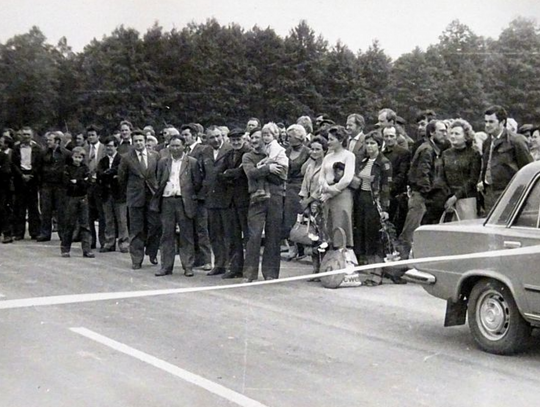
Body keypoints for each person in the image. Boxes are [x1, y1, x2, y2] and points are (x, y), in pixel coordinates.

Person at [153, 136, 202, 277]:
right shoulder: (163, 162)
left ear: (183, 146)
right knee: (166, 234)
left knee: (186, 235)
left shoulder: (192, 162)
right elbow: (159, 180)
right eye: (172, 146)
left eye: (177, 146)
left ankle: (188, 266)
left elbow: (197, 183)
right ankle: (166, 266)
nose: (174, 149)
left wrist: (189, 196)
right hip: (167, 200)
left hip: (184, 201)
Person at [242, 129, 287, 282]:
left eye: (258, 137)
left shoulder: (276, 153)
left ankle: (271, 273)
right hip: (256, 198)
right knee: (254, 235)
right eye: (252, 138)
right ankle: (249, 273)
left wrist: (264, 169)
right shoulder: (248, 156)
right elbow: (251, 173)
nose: (255, 140)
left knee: (273, 235)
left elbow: (282, 175)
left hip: (275, 197)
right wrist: (268, 168)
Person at [118, 130, 161, 270]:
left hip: (152, 196)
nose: (138, 143)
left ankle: (152, 252)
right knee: (136, 229)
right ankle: (137, 258)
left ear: (145, 141)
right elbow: (122, 178)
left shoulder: (155, 156)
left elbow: (158, 174)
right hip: (135, 197)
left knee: (155, 226)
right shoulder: (126, 158)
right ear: (132, 142)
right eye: (135, 141)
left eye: (140, 140)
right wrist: (131, 192)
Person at [479, 105, 533, 212]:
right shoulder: (487, 142)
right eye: (486, 122)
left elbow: (528, 168)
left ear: (502, 122)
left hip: (509, 192)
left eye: (491, 122)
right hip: (490, 193)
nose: (487, 125)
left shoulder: (516, 141)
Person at [352, 131, 392, 268]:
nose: (369, 146)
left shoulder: (384, 163)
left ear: (379, 145)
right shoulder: (363, 162)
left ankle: (374, 264)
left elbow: (386, 187)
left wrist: (385, 208)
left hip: (374, 200)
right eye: (367, 143)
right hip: (361, 198)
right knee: (360, 230)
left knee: (372, 232)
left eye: (372, 143)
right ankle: (363, 260)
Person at [220, 128, 251, 279]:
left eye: (239, 139)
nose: (236, 142)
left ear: (244, 139)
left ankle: (249, 268)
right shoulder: (228, 154)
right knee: (233, 235)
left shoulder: (248, 153)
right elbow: (220, 173)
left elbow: (242, 173)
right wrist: (230, 174)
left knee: (248, 235)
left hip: (245, 199)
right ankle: (235, 268)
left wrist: (229, 174)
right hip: (231, 200)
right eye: (233, 140)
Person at [181, 123, 213, 271]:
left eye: (186, 135)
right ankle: (196, 259)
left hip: (200, 196)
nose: (184, 138)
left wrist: (202, 191)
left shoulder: (203, 149)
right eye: (183, 135)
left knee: (201, 228)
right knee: (191, 228)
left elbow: (206, 172)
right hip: (188, 195)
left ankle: (207, 259)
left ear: (194, 136)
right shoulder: (184, 151)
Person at [203, 126, 233, 277]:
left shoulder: (229, 150)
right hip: (211, 198)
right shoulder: (205, 152)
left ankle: (230, 264)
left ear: (222, 136)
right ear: (207, 139)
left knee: (228, 233)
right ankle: (219, 264)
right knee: (214, 233)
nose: (215, 140)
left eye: (217, 136)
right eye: (212, 137)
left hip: (227, 198)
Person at [319, 125, 355, 248]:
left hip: (341, 194)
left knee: (340, 224)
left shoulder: (348, 156)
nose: (328, 142)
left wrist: (332, 190)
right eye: (328, 139)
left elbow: (347, 178)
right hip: (327, 194)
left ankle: (342, 251)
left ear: (340, 140)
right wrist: (324, 186)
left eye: (331, 139)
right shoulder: (327, 157)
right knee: (327, 223)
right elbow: (322, 175)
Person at [299, 135, 328, 275]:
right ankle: (315, 268)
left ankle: (323, 268)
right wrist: (304, 199)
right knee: (311, 236)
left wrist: (310, 199)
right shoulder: (310, 166)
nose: (314, 152)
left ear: (324, 150)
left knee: (323, 236)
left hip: (321, 203)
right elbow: (305, 183)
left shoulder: (326, 166)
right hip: (309, 204)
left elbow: (322, 187)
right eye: (312, 149)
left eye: (318, 149)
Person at [442, 119, 482, 218]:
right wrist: (447, 196)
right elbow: (441, 176)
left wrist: (455, 197)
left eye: (457, 134)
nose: (453, 136)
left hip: (467, 199)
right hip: (447, 199)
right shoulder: (446, 154)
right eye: (451, 133)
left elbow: (472, 180)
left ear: (466, 136)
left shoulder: (473, 154)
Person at [282, 124, 310, 260]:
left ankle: (302, 248)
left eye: (290, 136)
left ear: (299, 137)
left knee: (300, 218)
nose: (288, 139)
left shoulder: (307, 152)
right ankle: (292, 247)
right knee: (287, 218)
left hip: (300, 187)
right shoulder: (286, 152)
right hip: (287, 187)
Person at [37, 132, 71, 242]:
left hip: (60, 185)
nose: (48, 142)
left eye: (50, 140)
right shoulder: (43, 153)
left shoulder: (66, 153)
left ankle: (63, 233)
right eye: (47, 140)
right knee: (46, 210)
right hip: (46, 184)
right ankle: (45, 233)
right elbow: (39, 167)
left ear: (57, 141)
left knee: (61, 210)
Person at [60, 147, 94, 258]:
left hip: (83, 197)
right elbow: (66, 183)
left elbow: (88, 183)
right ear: (72, 157)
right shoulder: (67, 168)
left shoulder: (85, 168)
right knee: (69, 223)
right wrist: (81, 181)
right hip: (71, 197)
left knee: (85, 224)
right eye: (75, 157)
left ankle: (87, 249)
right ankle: (65, 249)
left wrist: (77, 181)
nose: (77, 159)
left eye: (80, 157)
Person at [97, 137, 129, 253]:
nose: (109, 148)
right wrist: (110, 174)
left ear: (116, 146)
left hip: (119, 193)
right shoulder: (103, 161)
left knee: (122, 220)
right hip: (106, 193)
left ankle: (124, 243)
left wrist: (110, 173)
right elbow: (100, 174)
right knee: (108, 219)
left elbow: (121, 173)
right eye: (107, 146)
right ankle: (109, 242)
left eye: (111, 146)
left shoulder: (121, 159)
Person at [11, 126, 42, 240]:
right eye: (24, 134)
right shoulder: (16, 148)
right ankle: (19, 232)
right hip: (20, 177)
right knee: (20, 206)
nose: (26, 137)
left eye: (28, 134)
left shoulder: (37, 148)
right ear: (21, 136)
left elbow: (39, 163)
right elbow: (13, 163)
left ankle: (35, 231)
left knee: (33, 205)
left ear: (32, 136)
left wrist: (32, 175)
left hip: (32, 177)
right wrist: (21, 175)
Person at [382, 125, 411, 236]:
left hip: (396, 195)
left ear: (396, 137)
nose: (389, 139)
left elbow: (402, 174)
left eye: (391, 136)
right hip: (383, 194)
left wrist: (388, 188)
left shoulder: (404, 153)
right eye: (386, 136)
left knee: (396, 225)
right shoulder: (382, 153)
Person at [250, 123, 288, 203]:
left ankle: (262, 190)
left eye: (268, 135)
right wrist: (262, 162)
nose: (266, 138)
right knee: (262, 170)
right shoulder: (268, 145)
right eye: (264, 135)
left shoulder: (274, 145)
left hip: (282, 166)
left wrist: (264, 165)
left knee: (263, 170)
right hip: (276, 163)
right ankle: (265, 191)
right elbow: (268, 157)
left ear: (274, 136)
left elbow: (272, 158)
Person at [84, 125, 107, 249]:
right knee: (88, 215)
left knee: (102, 214)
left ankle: (103, 241)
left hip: (100, 185)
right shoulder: (85, 149)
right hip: (88, 186)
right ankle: (91, 240)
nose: (91, 137)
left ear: (98, 136)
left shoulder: (104, 149)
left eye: (93, 135)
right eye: (89, 135)